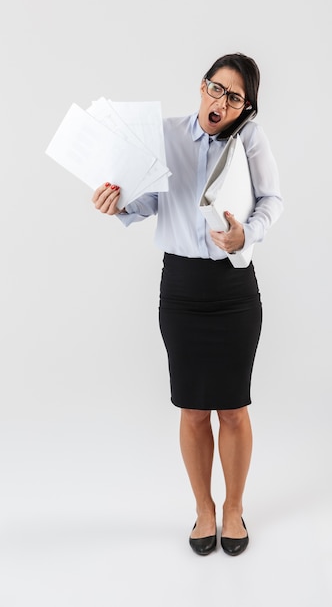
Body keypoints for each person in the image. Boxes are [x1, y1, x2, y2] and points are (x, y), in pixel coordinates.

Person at [92, 52, 283, 556]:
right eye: (216, 89)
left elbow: (272, 200)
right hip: (180, 290)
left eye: (235, 97)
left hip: (234, 291)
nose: (221, 101)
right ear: (201, 87)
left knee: (234, 408)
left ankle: (234, 508)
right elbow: (147, 200)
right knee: (194, 409)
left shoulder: (251, 141)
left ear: (246, 108)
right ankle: (204, 508)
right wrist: (120, 202)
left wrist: (247, 235)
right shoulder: (165, 134)